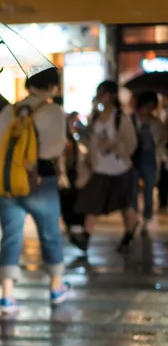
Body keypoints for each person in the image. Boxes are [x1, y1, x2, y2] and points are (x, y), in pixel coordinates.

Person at [0, 68, 70, 314]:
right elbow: (56, 148)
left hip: (8, 181)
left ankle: (7, 295)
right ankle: (56, 286)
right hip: (40, 180)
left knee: (11, 236)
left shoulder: (8, 110)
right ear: (52, 86)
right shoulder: (53, 110)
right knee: (49, 234)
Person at [76, 81, 138, 252]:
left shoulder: (120, 117)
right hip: (100, 168)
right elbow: (89, 138)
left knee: (126, 205)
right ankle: (85, 237)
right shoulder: (95, 116)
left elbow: (131, 141)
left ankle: (129, 234)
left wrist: (115, 146)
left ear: (111, 95)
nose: (99, 96)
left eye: (102, 93)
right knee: (93, 202)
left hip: (121, 167)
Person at [131, 91, 166, 235]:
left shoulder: (156, 122)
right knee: (132, 188)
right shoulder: (132, 119)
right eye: (147, 106)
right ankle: (133, 217)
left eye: (152, 107)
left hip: (150, 156)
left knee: (149, 187)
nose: (149, 110)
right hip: (134, 157)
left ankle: (146, 217)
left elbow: (161, 141)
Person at [60, 111, 89, 250]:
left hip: (73, 177)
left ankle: (75, 232)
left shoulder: (73, 138)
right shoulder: (67, 139)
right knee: (69, 204)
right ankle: (74, 232)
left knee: (71, 205)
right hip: (68, 177)